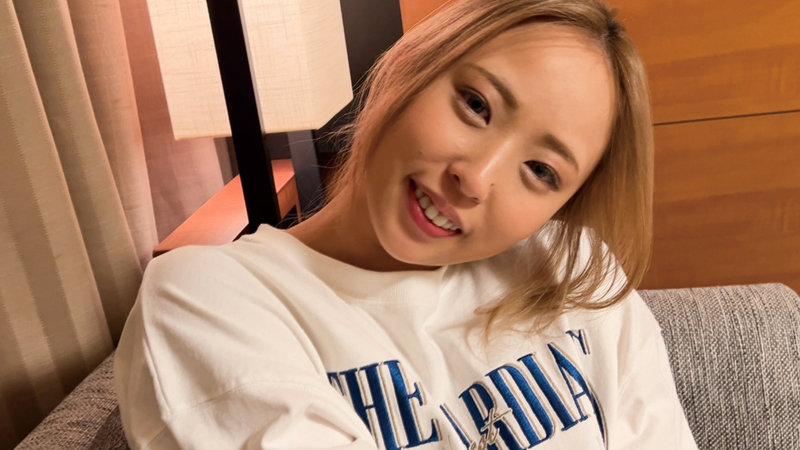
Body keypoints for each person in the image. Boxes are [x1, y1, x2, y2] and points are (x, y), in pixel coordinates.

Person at [115, 0, 698, 448]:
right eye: (476, 105)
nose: (475, 179)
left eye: (541, 171)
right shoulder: (210, 297)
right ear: (411, 65)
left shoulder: (574, 268)